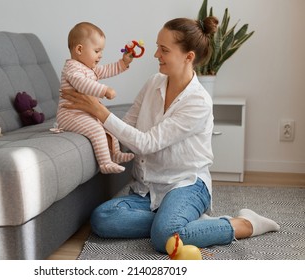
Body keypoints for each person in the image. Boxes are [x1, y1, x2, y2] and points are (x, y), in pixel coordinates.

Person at [60, 17, 280, 254]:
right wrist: (87, 121)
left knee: (163, 238)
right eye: (157, 47)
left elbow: (146, 144)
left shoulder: (198, 101)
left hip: (186, 185)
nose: (156, 55)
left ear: (189, 56)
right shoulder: (153, 82)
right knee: (102, 219)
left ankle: (244, 224)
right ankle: (181, 224)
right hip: (148, 189)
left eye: (164, 50)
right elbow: (127, 129)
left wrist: (99, 111)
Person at [57, 22, 135, 174]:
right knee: (97, 130)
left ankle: (116, 154)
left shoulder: (89, 68)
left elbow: (107, 70)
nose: (101, 55)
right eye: (97, 50)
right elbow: (82, 84)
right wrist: (104, 90)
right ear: (79, 49)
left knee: (109, 126)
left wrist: (123, 63)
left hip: (84, 112)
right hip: (69, 115)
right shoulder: (72, 68)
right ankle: (105, 164)